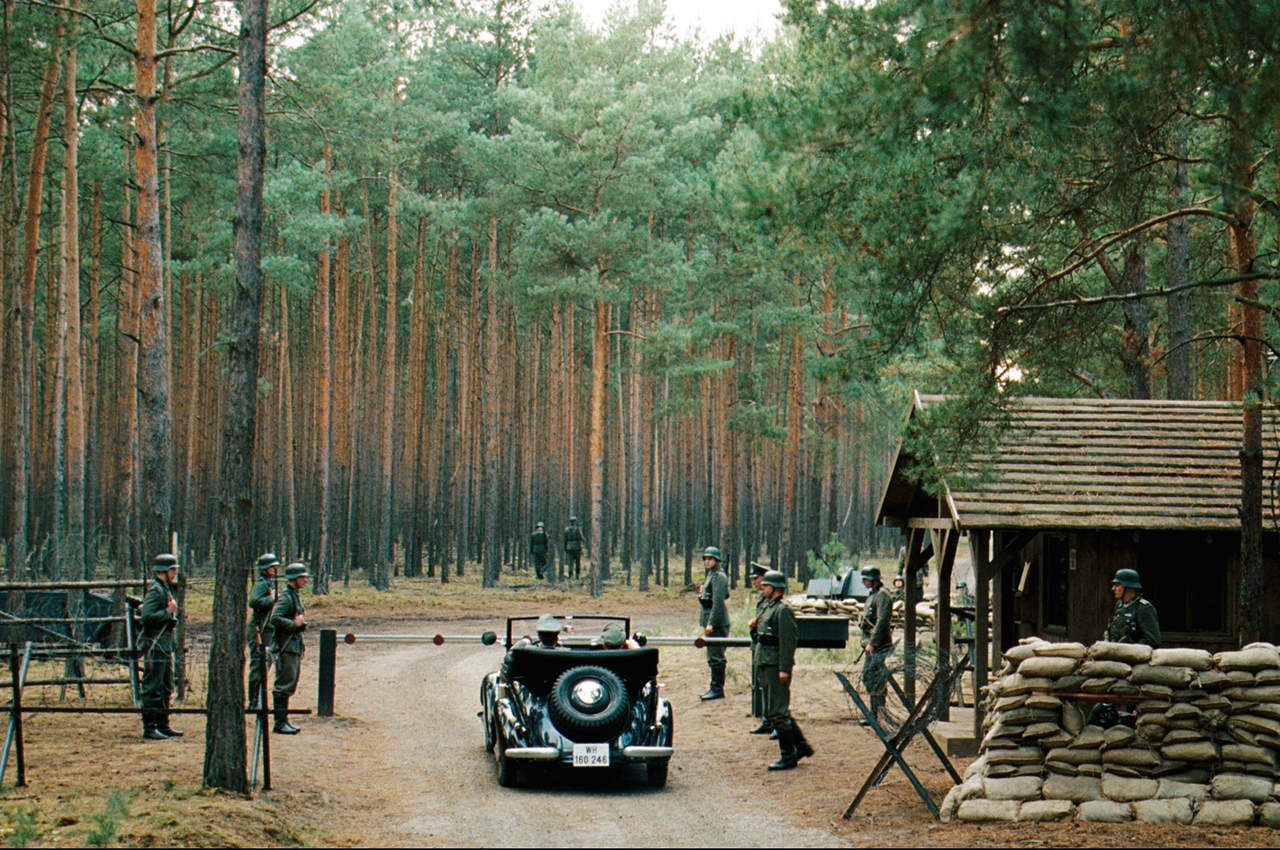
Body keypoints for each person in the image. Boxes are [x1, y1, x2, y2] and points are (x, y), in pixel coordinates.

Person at [755, 570, 815, 770]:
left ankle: (788, 755)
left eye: (766, 585)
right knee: (777, 710)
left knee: (778, 712)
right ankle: (802, 746)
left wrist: (784, 669)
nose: (762, 587)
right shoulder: (769, 607)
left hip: (775, 665)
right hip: (766, 662)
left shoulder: (783, 610)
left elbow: (788, 642)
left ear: (777, 589)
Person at [1090, 568, 1161, 727]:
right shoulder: (1120, 606)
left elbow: (1153, 640)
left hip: (1135, 667)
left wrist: (1130, 650)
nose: (1113, 589)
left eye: (1118, 585)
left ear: (1129, 588)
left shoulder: (1144, 608)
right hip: (1117, 665)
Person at [140, 553, 181, 740]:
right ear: (164, 571)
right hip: (155, 645)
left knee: (165, 686)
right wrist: (168, 612)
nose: (175, 572)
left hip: (164, 645)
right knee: (153, 687)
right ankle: (150, 728)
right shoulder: (155, 590)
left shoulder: (166, 588)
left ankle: (163, 725)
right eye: (173, 569)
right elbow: (147, 617)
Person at [270, 562, 309, 735]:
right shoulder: (286, 597)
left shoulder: (294, 595)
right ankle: (279, 723)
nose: (306, 580)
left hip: (293, 645)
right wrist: (294, 624)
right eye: (303, 577)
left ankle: (283, 720)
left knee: (290, 682)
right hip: (285, 646)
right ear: (294, 579)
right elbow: (275, 618)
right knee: (284, 684)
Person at [858, 566, 894, 725]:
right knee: (870, 677)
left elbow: (882, 621)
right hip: (871, 645)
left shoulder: (882, 595)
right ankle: (875, 713)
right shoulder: (873, 595)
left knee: (874, 678)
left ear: (873, 580)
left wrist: (872, 643)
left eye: (866, 579)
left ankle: (877, 714)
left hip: (878, 646)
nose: (863, 582)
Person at [698, 546, 731, 700]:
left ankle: (717, 689)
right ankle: (715, 687)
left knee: (716, 656)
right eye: (706, 558)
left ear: (717, 561)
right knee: (712, 655)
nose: (707, 561)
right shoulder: (712, 575)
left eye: (710, 558)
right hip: (712, 621)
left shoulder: (719, 577)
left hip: (717, 623)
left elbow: (718, 603)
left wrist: (711, 623)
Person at [247, 552, 279, 709]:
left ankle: (258, 698)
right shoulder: (262, 584)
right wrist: (271, 599)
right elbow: (253, 601)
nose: (275, 569)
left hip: (265, 629)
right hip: (258, 629)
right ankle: (253, 700)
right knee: (257, 664)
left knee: (265, 662)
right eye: (272, 566)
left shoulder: (268, 583)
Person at [747, 562, 773, 735]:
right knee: (762, 684)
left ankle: (774, 721)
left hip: (769, 651)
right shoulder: (763, 600)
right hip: (760, 647)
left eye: (757, 579)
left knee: (772, 687)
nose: (755, 582)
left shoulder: (773, 603)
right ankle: (767, 719)